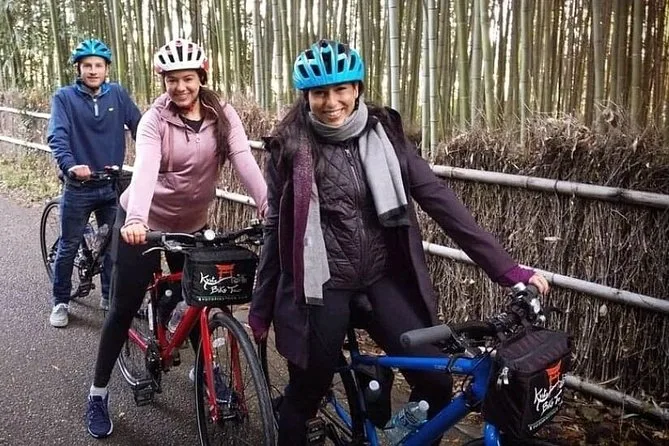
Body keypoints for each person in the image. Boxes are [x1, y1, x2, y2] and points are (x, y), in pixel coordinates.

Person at [248, 39, 550, 445]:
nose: (331, 102)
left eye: (341, 89)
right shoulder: (289, 147)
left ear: (357, 88)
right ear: (306, 97)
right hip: (321, 287)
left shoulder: (386, 134)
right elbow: (274, 231)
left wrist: (508, 271)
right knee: (307, 391)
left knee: (437, 380)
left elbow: (439, 200)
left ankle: (398, 435)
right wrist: (261, 309)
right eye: (319, 93)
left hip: (380, 276)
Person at [84, 38, 268, 439]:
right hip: (143, 223)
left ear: (202, 77)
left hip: (193, 224)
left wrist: (268, 206)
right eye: (172, 80)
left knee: (202, 302)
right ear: (163, 81)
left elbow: (243, 160)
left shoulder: (223, 115)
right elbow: (146, 169)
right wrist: (136, 219)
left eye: (187, 78)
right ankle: (97, 393)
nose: (180, 87)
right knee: (122, 307)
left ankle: (205, 369)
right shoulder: (154, 120)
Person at [47, 38, 142, 327]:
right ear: (78, 68)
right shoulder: (64, 98)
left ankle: (109, 297)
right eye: (87, 65)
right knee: (69, 244)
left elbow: (141, 127)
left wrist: (153, 160)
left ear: (106, 69)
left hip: (111, 185)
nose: (92, 70)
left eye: (98, 65)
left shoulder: (118, 95)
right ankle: (60, 301)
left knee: (114, 246)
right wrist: (70, 166)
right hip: (79, 186)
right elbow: (57, 135)